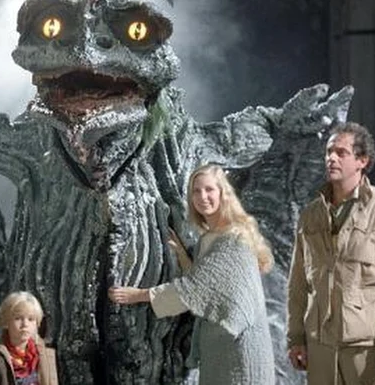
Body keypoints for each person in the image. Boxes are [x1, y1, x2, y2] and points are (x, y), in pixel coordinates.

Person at [108, 164, 275, 384]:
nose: (202, 197)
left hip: (241, 352)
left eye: (209, 189)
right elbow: (206, 283)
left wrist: (137, 295)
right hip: (219, 350)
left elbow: (194, 289)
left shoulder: (233, 240)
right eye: (196, 191)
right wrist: (181, 254)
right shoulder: (209, 239)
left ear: (223, 194)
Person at [286, 122, 375, 384]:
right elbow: (297, 284)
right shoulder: (311, 215)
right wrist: (296, 339)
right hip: (320, 348)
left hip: (368, 348)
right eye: (329, 152)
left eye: (341, 152)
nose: (331, 158)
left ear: (362, 160)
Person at [0, 291, 59, 385]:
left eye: (31, 319)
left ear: (37, 323)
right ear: (6, 322)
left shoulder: (47, 356)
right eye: (18, 318)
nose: (25, 324)